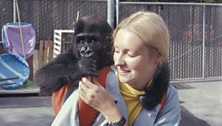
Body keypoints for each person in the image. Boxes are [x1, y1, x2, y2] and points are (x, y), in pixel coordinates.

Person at [51, 11, 181, 126]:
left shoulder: (168, 96)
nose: (118, 62)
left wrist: (111, 112)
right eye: (117, 51)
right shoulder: (91, 88)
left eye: (130, 54)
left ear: (157, 58)